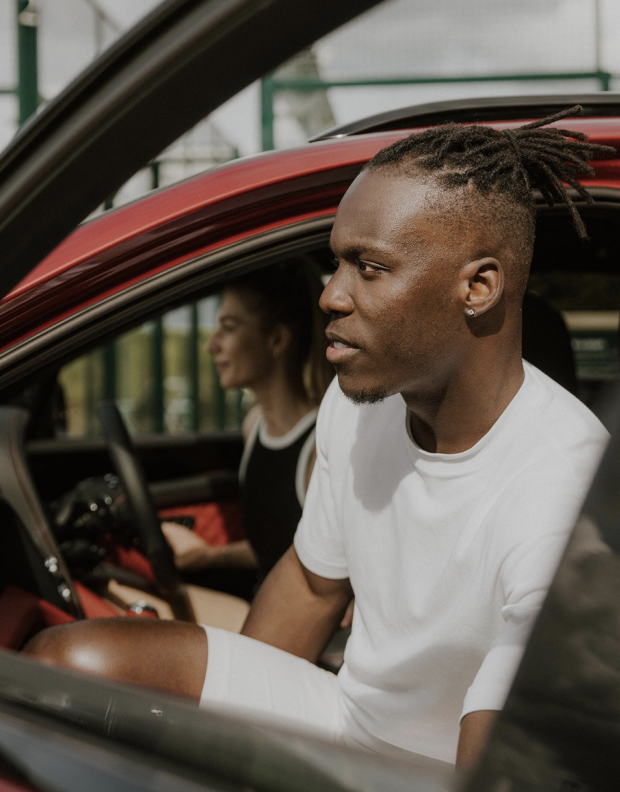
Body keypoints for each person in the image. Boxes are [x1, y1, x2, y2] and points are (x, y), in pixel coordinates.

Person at [23, 106, 613, 769]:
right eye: (337, 264)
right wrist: (229, 754)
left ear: (477, 287)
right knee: (67, 666)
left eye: (369, 267)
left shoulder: (567, 493)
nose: (331, 296)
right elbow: (311, 585)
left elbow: (500, 759)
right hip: (344, 721)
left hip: (449, 774)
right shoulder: (361, 403)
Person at [160, 263, 333, 581]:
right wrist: (209, 557)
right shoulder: (254, 425)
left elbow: (323, 571)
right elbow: (276, 549)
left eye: (228, 327)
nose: (212, 345)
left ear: (278, 339)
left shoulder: (317, 448)